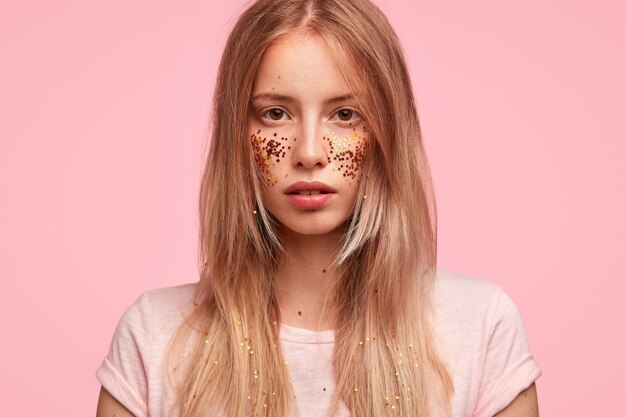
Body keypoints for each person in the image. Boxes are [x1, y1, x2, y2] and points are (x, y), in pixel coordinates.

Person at [95, 0, 541, 416]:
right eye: (275, 114)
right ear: (238, 132)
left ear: (387, 129)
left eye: (345, 114)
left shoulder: (480, 329)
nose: (309, 152)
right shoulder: (153, 336)